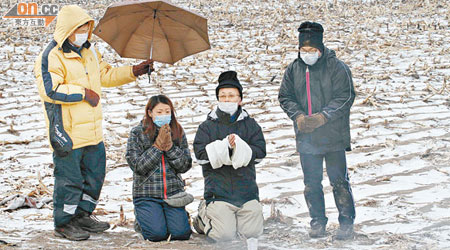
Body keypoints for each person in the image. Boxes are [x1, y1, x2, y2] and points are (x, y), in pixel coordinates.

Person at [34, 5, 153, 241]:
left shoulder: (89, 52)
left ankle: (82, 216)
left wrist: (134, 71)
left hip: (93, 132)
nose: (84, 33)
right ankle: (64, 223)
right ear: (67, 30)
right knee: (69, 181)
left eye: (87, 28)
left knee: (94, 176)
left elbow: (105, 75)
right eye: (80, 28)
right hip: (67, 133)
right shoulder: (51, 56)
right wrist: (84, 93)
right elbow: (49, 90)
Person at [278, 21, 356, 240]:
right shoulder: (294, 69)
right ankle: (317, 221)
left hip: (333, 136)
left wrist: (324, 116)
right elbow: (285, 96)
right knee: (311, 183)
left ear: (320, 49)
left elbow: (346, 96)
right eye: (304, 50)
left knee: (339, 181)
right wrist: (298, 116)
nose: (308, 54)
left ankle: (346, 222)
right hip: (307, 137)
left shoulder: (336, 67)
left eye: (312, 50)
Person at [192, 71, 266, 245]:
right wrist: (224, 148)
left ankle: (237, 218)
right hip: (219, 193)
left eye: (231, 95)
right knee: (223, 235)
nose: (227, 100)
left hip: (246, 192)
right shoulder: (207, 127)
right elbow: (200, 155)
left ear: (240, 99)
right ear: (218, 99)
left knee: (252, 232)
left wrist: (239, 149)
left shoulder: (250, 125)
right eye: (222, 96)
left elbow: (260, 152)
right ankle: (203, 215)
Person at [126, 95, 192, 242]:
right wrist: (156, 147)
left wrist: (169, 148)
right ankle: (141, 219)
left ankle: (175, 217)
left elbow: (185, 165)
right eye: (159, 112)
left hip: (173, 193)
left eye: (167, 112)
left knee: (181, 234)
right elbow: (138, 167)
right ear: (150, 113)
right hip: (147, 193)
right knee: (156, 235)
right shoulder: (137, 133)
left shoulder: (178, 131)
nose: (164, 115)